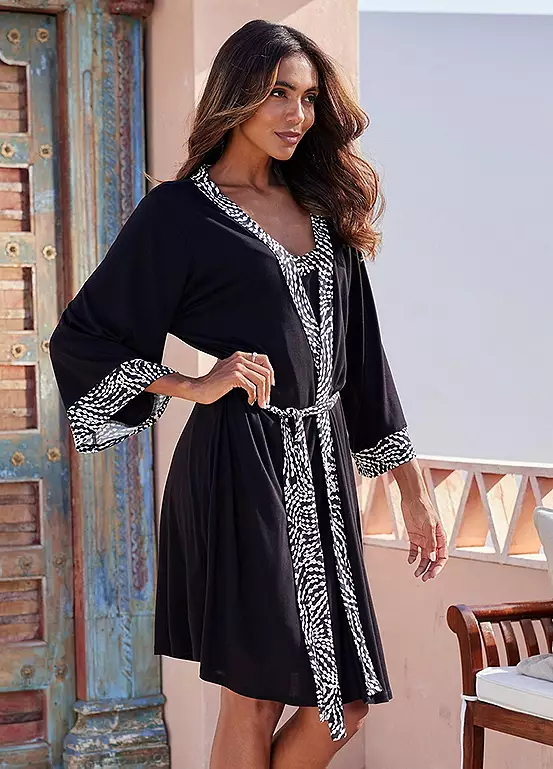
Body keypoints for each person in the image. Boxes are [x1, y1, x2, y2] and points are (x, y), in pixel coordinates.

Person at [49, 18, 448, 769]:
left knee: (343, 704)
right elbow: (82, 335)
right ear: (237, 97)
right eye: (277, 94)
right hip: (238, 465)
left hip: (323, 469)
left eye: (307, 97)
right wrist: (193, 384)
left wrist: (410, 484)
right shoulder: (180, 213)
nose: (297, 114)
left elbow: (363, 358)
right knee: (254, 696)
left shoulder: (322, 208)